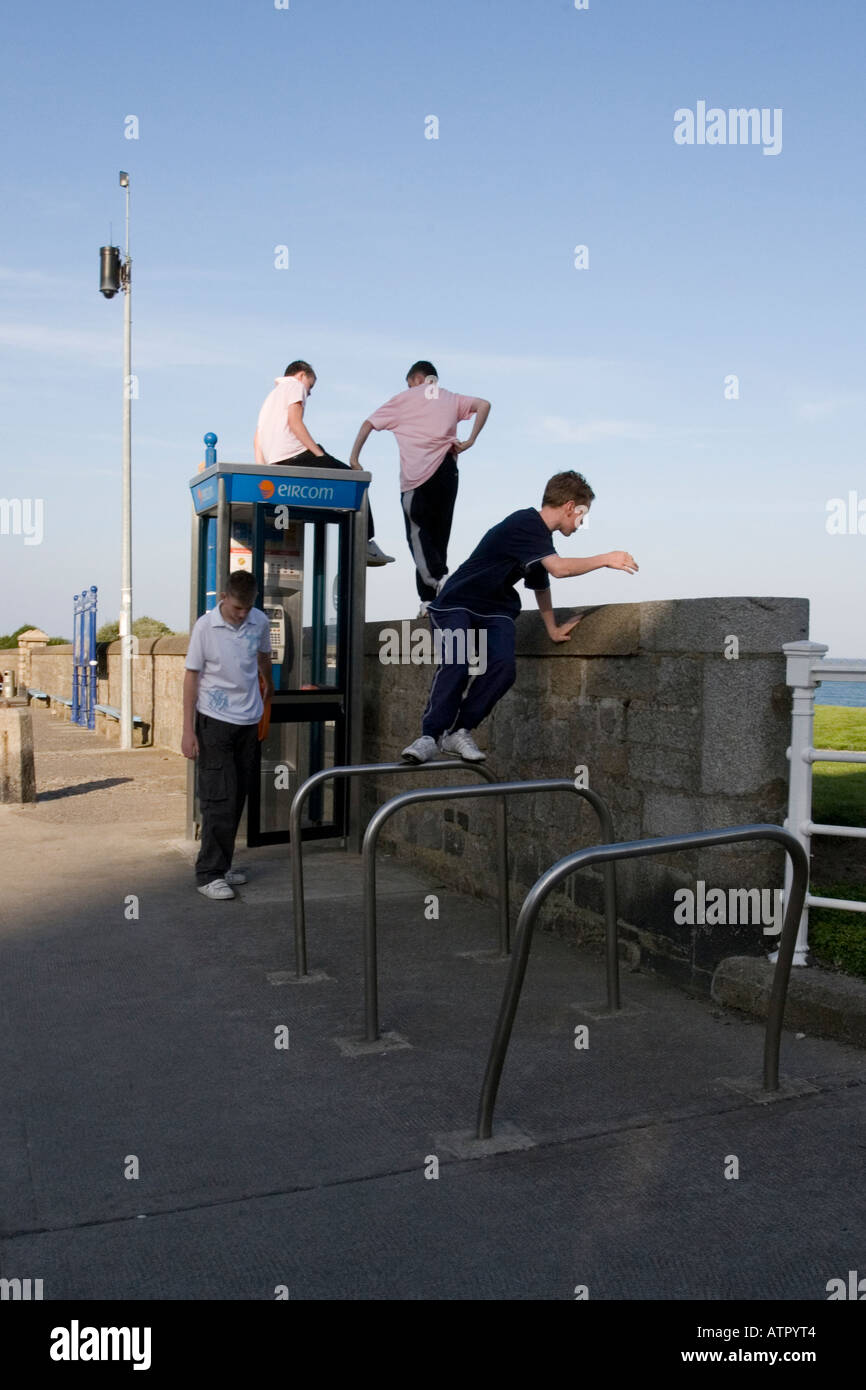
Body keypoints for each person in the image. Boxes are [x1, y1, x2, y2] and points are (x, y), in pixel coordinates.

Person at [401, 471, 639, 764]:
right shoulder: (525, 524)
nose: (581, 524)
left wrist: (551, 628)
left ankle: (458, 731)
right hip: (456, 603)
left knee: (503, 668)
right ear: (569, 507)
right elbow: (559, 569)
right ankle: (430, 736)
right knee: (457, 663)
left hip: (495, 608)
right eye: (581, 515)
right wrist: (606, 559)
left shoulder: (539, 540)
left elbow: (540, 584)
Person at [349, 361, 490, 608]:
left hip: (418, 477)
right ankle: (429, 600)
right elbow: (484, 405)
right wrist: (470, 441)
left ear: (415, 379)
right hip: (448, 471)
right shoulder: (451, 397)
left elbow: (367, 424)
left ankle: (439, 580)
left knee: (418, 534)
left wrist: (354, 458)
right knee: (436, 539)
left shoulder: (404, 398)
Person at [182, 570, 274, 900]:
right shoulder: (205, 627)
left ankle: (223, 864)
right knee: (218, 797)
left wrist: (268, 683)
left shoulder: (259, 621)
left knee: (237, 797)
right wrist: (187, 730)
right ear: (225, 596)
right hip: (214, 720)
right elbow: (191, 678)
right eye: (237, 607)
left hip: (248, 721)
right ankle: (208, 873)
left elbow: (262, 656)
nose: (242, 614)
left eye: (248, 608)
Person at [254, 360, 394, 567]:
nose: (309, 393)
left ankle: (353, 535)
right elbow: (295, 422)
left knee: (339, 496)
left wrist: (264, 471)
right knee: (356, 482)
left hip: (276, 462)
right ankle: (365, 544)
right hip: (295, 455)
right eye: (311, 387)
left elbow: (257, 438)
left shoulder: (269, 399)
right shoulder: (294, 386)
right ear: (302, 375)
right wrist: (319, 454)